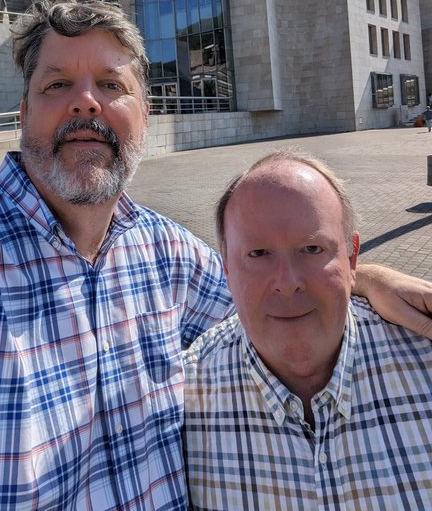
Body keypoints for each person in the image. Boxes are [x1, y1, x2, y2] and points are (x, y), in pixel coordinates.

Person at [0, 0, 430, 511]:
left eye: (112, 85)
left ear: (146, 115)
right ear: (22, 114)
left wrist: (355, 274)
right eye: (57, 84)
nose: (85, 102)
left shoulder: (168, 253)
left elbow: (271, 288)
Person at [184, 150, 432, 510]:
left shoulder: (423, 359)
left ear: (352, 258)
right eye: (258, 254)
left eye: (312, 249)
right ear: (225, 268)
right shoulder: (185, 399)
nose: (287, 283)